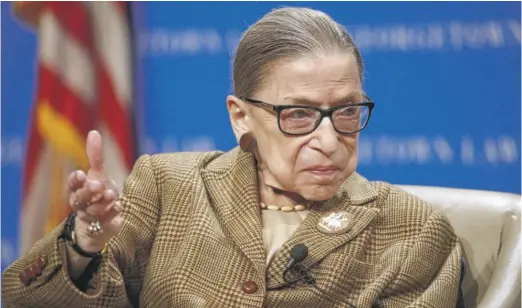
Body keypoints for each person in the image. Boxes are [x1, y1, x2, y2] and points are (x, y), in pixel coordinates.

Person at [2, 7, 463, 308]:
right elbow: (23, 299)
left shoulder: (411, 231)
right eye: (298, 114)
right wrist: (84, 245)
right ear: (241, 117)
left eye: (345, 112)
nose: (329, 138)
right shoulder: (167, 187)